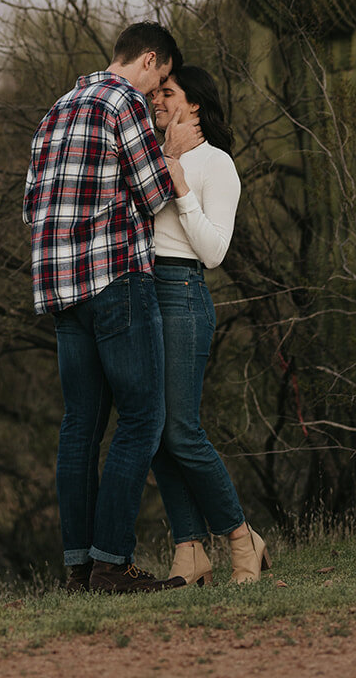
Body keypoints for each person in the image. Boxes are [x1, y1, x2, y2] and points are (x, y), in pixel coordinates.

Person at [23, 21, 197, 595]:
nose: (157, 95)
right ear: (150, 60)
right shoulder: (123, 103)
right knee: (143, 417)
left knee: (80, 426)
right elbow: (152, 195)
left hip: (60, 290)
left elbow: (32, 207)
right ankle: (111, 565)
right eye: (162, 80)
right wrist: (169, 150)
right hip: (116, 280)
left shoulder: (57, 109)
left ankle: (78, 568)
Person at [149, 64, 271, 585]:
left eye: (167, 93)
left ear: (193, 104)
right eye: (155, 92)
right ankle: (189, 551)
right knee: (151, 431)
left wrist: (181, 188)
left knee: (181, 430)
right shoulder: (153, 156)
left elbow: (216, 252)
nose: (156, 100)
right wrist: (167, 165)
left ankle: (242, 540)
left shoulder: (216, 164)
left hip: (181, 291)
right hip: (140, 293)